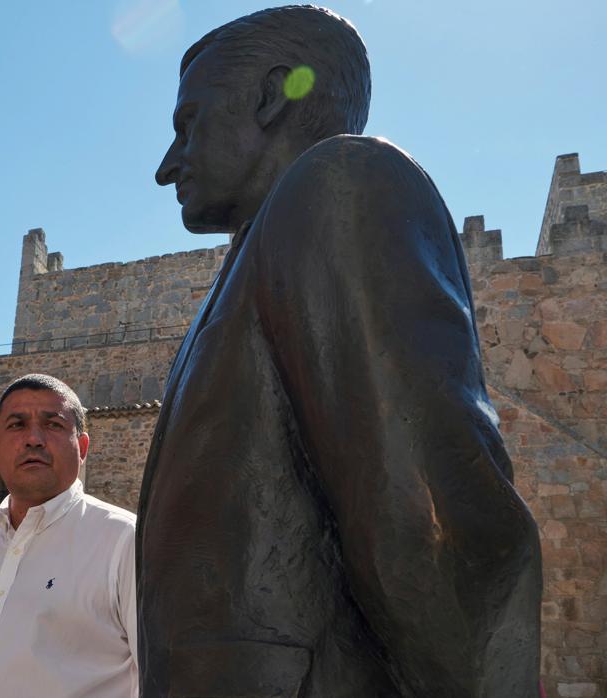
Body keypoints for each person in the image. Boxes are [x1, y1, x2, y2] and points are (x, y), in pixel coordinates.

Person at [138, 6, 541, 697]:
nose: (167, 165)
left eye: (190, 124)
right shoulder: (254, 256)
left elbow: (427, 516)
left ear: (270, 96)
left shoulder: (344, 182)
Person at [0, 374, 137, 698]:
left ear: (83, 447)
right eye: (16, 425)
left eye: (53, 425)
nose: (33, 439)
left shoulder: (125, 543)